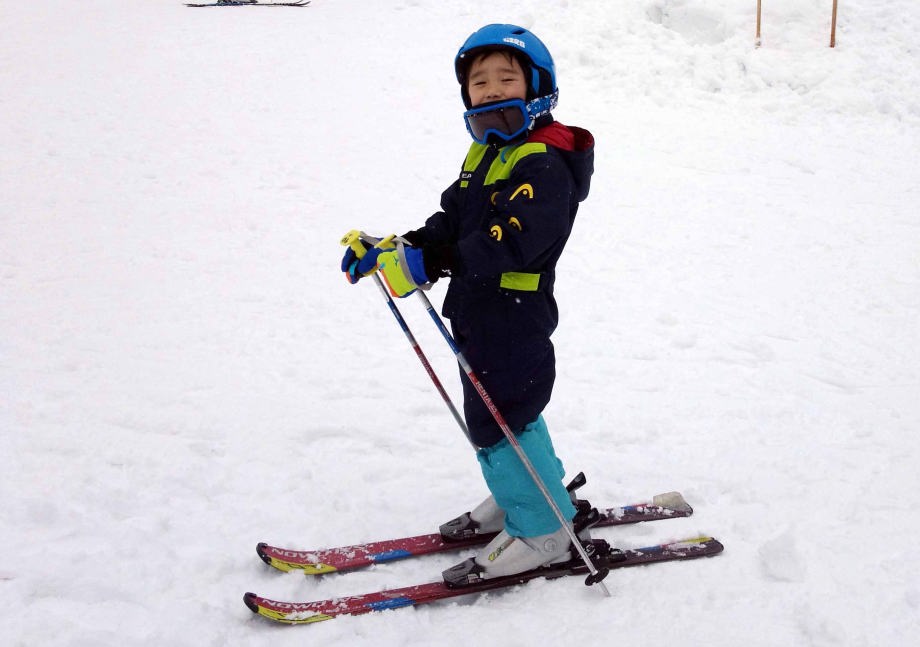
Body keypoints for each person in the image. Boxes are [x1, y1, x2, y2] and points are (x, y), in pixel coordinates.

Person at [340, 24, 595, 584]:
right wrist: (401, 248)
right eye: (480, 82)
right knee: (505, 410)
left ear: (537, 87)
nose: (492, 89)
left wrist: (434, 262)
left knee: (498, 417)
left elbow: (514, 239)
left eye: (507, 78)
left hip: (514, 312)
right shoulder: (487, 151)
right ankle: (528, 493)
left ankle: (544, 529)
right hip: (479, 307)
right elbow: (454, 220)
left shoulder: (543, 162)